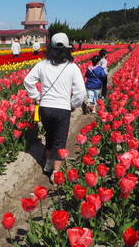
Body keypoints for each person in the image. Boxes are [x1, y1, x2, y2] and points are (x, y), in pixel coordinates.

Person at [23, 32, 86, 183]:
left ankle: (49, 162)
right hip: (62, 109)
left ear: (50, 48)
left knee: (50, 134)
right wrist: (73, 104)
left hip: (45, 107)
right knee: (60, 140)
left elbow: (27, 81)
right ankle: (56, 173)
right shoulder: (72, 67)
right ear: (67, 49)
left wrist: (37, 96)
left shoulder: (42, 65)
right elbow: (81, 92)